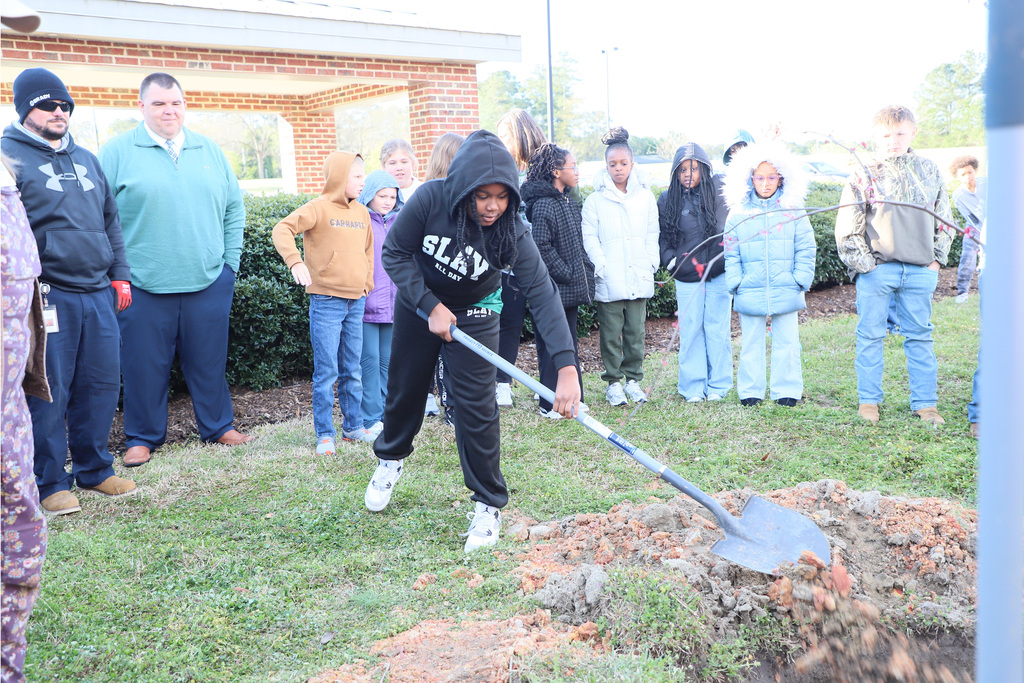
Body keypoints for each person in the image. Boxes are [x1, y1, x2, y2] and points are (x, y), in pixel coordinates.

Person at [364, 130, 581, 552]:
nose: (492, 206)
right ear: (464, 188)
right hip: (420, 304)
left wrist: (567, 367)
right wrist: (429, 305)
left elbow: (543, 293)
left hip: (477, 309)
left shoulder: (513, 230)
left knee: (477, 406)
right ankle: (390, 458)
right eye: (483, 196)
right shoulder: (429, 200)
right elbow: (394, 253)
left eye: (502, 196)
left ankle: (487, 505)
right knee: (405, 391)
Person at [3, 68, 139, 519]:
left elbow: (110, 220)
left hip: (98, 291)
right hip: (46, 296)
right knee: (49, 390)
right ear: (26, 109)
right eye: (48, 105)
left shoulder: (87, 158)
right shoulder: (8, 156)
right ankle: (50, 482)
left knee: (100, 384)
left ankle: (95, 469)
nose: (59, 112)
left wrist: (119, 272)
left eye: (65, 105)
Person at [99, 72, 252, 467]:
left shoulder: (209, 149)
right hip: (142, 284)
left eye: (176, 102)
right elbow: (98, 216)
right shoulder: (116, 152)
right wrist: (116, 272)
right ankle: (142, 438)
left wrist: (229, 266)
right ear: (142, 106)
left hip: (208, 280)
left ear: (184, 104)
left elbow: (234, 208)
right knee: (142, 365)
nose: (169, 110)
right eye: (159, 103)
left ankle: (219, 426)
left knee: (209, 360)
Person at [835, 105, 953, 426]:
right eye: (886, 135)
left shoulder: (929, 171)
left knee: (920, 337)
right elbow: (848, 223)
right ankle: (869, 402)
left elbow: (945, 218)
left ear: (913, 132)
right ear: (876, 136)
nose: (893, 140)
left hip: (918, 270)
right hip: (878, 270)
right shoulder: (865, 172)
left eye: (900, 133)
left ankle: (926, 405)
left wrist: (935, 261)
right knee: (870, 336)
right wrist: (866, 266)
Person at [272, 152, 374, 453]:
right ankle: (325, 434)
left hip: (356, 302)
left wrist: (366, 284)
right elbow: (282, 229)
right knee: (327, 371)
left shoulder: (362, 213)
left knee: (352, 369)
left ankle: (353, 428)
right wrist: (295, 262)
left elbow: (368, 251)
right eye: (357, 177)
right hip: (327, 301)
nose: (362, 182)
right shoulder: (318, 208)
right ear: (340, 178)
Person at [723, 143, 816, 407]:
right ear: (750, 178)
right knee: (751, 340)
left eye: (771, 177)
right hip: (749, 286)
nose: (765, 183)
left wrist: (800, 279)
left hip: (785, 284)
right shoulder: (739, 212)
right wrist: (735, 281)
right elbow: (731, 250)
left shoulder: (793, 209)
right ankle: (750, 391)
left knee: (787, 340)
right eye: (760, 177)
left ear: (781, 178)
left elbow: (806, 246)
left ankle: (786, 389)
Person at [583, 127, 660, 407]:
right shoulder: (595, 200)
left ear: (632, 164)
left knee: (635, 332)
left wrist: (652, 260)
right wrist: (600, 264)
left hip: (638, 272)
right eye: (612, 164)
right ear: (606, 166)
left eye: (623, 163)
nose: (618, 169)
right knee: (610, 333)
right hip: (609, 275)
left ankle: (633, 380)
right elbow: (589, 236)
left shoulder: (645, 197)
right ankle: (613, 383)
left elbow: (653, 233)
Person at [521, 143, 594, 419]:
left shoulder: (568, 201)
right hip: (549, 290)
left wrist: (583, 270)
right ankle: (548, 402)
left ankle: (574, 399)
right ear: (555, 171)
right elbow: (540, 246)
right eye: (572, 167)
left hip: (570, 288)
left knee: (569, 342)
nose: (576, 172)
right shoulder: (542, 205)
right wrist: (565, 272)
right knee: (549, 344)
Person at [657, 142, 732, 402]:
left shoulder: (719, 193)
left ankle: (719, 386)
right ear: (676, 173)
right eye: (683, 170)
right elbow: (664, 239)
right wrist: (671, 262)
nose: (689, 174)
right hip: (687, 275)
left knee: (717, 329)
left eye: (694, 168)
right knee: (691, 329)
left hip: (718, 272)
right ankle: (692, 387)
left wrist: (720, 261)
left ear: (705, 169)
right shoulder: (668, 199)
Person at [493, 109, 547, 407]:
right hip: (510, 263)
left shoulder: (545, 166)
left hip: (543, 261)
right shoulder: (502, 168)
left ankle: (547, 382)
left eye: (505, 135)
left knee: (544, 323)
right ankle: (502, 383)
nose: (501, 141)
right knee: (508, 324)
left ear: (522, 134)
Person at [423, 133, 466, 426]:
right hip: (433, 291)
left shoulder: (466, 197)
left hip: (462, 288)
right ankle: (447, 405)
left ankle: (458, 405)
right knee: (440, 352)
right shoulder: (428, 197)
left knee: (457, 353)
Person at [357, 170, 404, 440]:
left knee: (389, 361)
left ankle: (388, 414)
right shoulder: (361, 220)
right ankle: (370, 417)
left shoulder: (401, 220)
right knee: (369, 361)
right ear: (369, 195)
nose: (387, 201)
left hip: (394, 306)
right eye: (382, 195)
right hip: (365, 305)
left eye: (392, 196)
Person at [949, 155, 986, 304]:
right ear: (957, 176)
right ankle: (963, 292)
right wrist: (982, 238)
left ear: (975, 171)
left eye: (969, 172)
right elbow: (971, 218)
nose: (967, 177)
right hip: (975, 228)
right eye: (962, 174)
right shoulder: (958, 196)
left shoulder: (987, 183)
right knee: (967, 258)